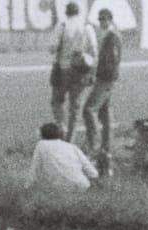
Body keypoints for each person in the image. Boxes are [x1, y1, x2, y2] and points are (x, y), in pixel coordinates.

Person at [49, 2, 99, 143]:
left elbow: (52, 48)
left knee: (57, 101)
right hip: (82, 70)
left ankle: (61, 128)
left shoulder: (62, 25)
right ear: (79, 13)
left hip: (63, 69)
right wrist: (93, 73)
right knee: (75, 106)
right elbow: (95, 52)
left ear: (66, 12)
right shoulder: (87, 27)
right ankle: (70, 139)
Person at [81, 8, 121, 158]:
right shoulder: (109, 34)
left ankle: (94, 145)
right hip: (106, 78)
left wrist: (99, 77)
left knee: (88, 109)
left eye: (104, 19)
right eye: (100, 19)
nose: (102, 22)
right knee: (104, 114)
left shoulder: (112, 36)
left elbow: (112, 61)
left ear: (110, 19)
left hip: (106, 79)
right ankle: (106, 147)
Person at [28, 121, 99, 191]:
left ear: (42, 135)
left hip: (58, 187)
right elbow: (92, 171)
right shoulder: (72, 146)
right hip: (82, 185)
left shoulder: (41, 145)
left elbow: (35, 168)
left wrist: (28, 186)